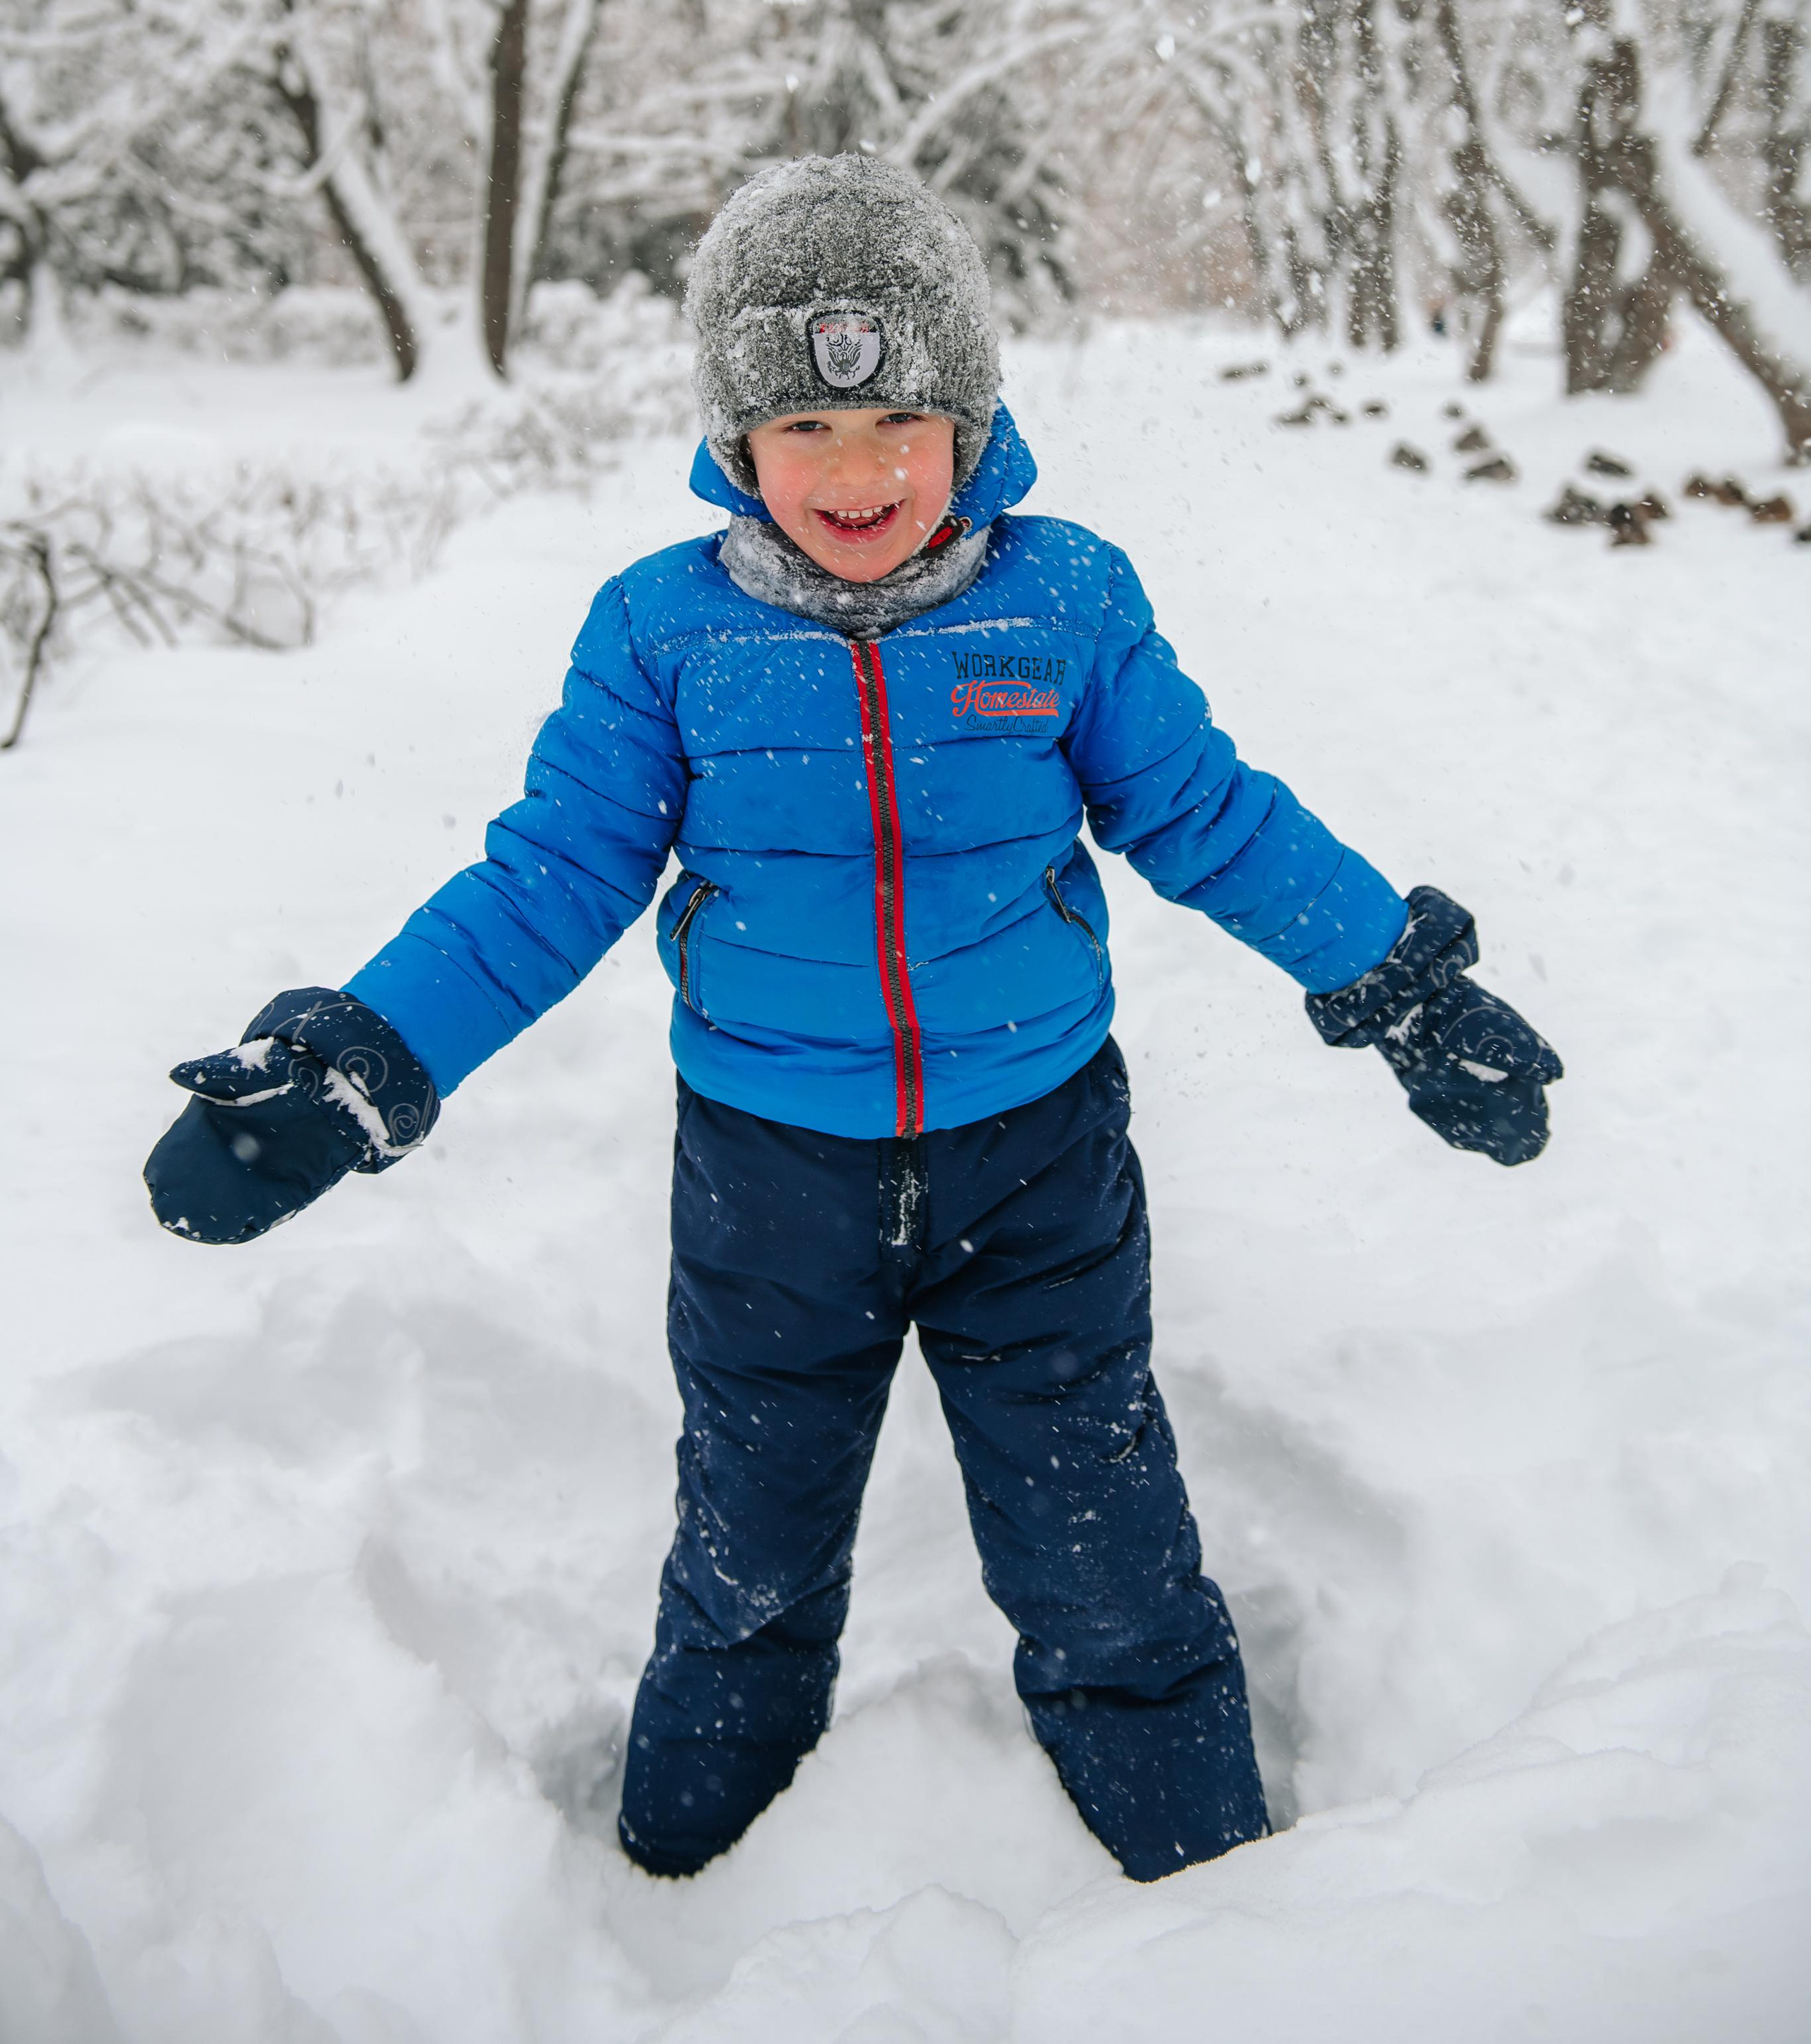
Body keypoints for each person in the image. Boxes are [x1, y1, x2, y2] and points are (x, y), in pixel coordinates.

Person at [144, 155, 1562, 1884]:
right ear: (734, 443)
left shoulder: (1063, 599)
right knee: (749, 1540)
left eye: (900, 414)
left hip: (1037, 1160)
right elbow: (551, 878)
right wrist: (364, 1059)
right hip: (768, 1182)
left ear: (973, 418)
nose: (859, 471)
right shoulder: (663, 634)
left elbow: (1204, 809)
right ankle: (682, 1866)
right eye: (802, 429)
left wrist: (1391, 980)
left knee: (1099, 1539)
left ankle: (1211, 1891)